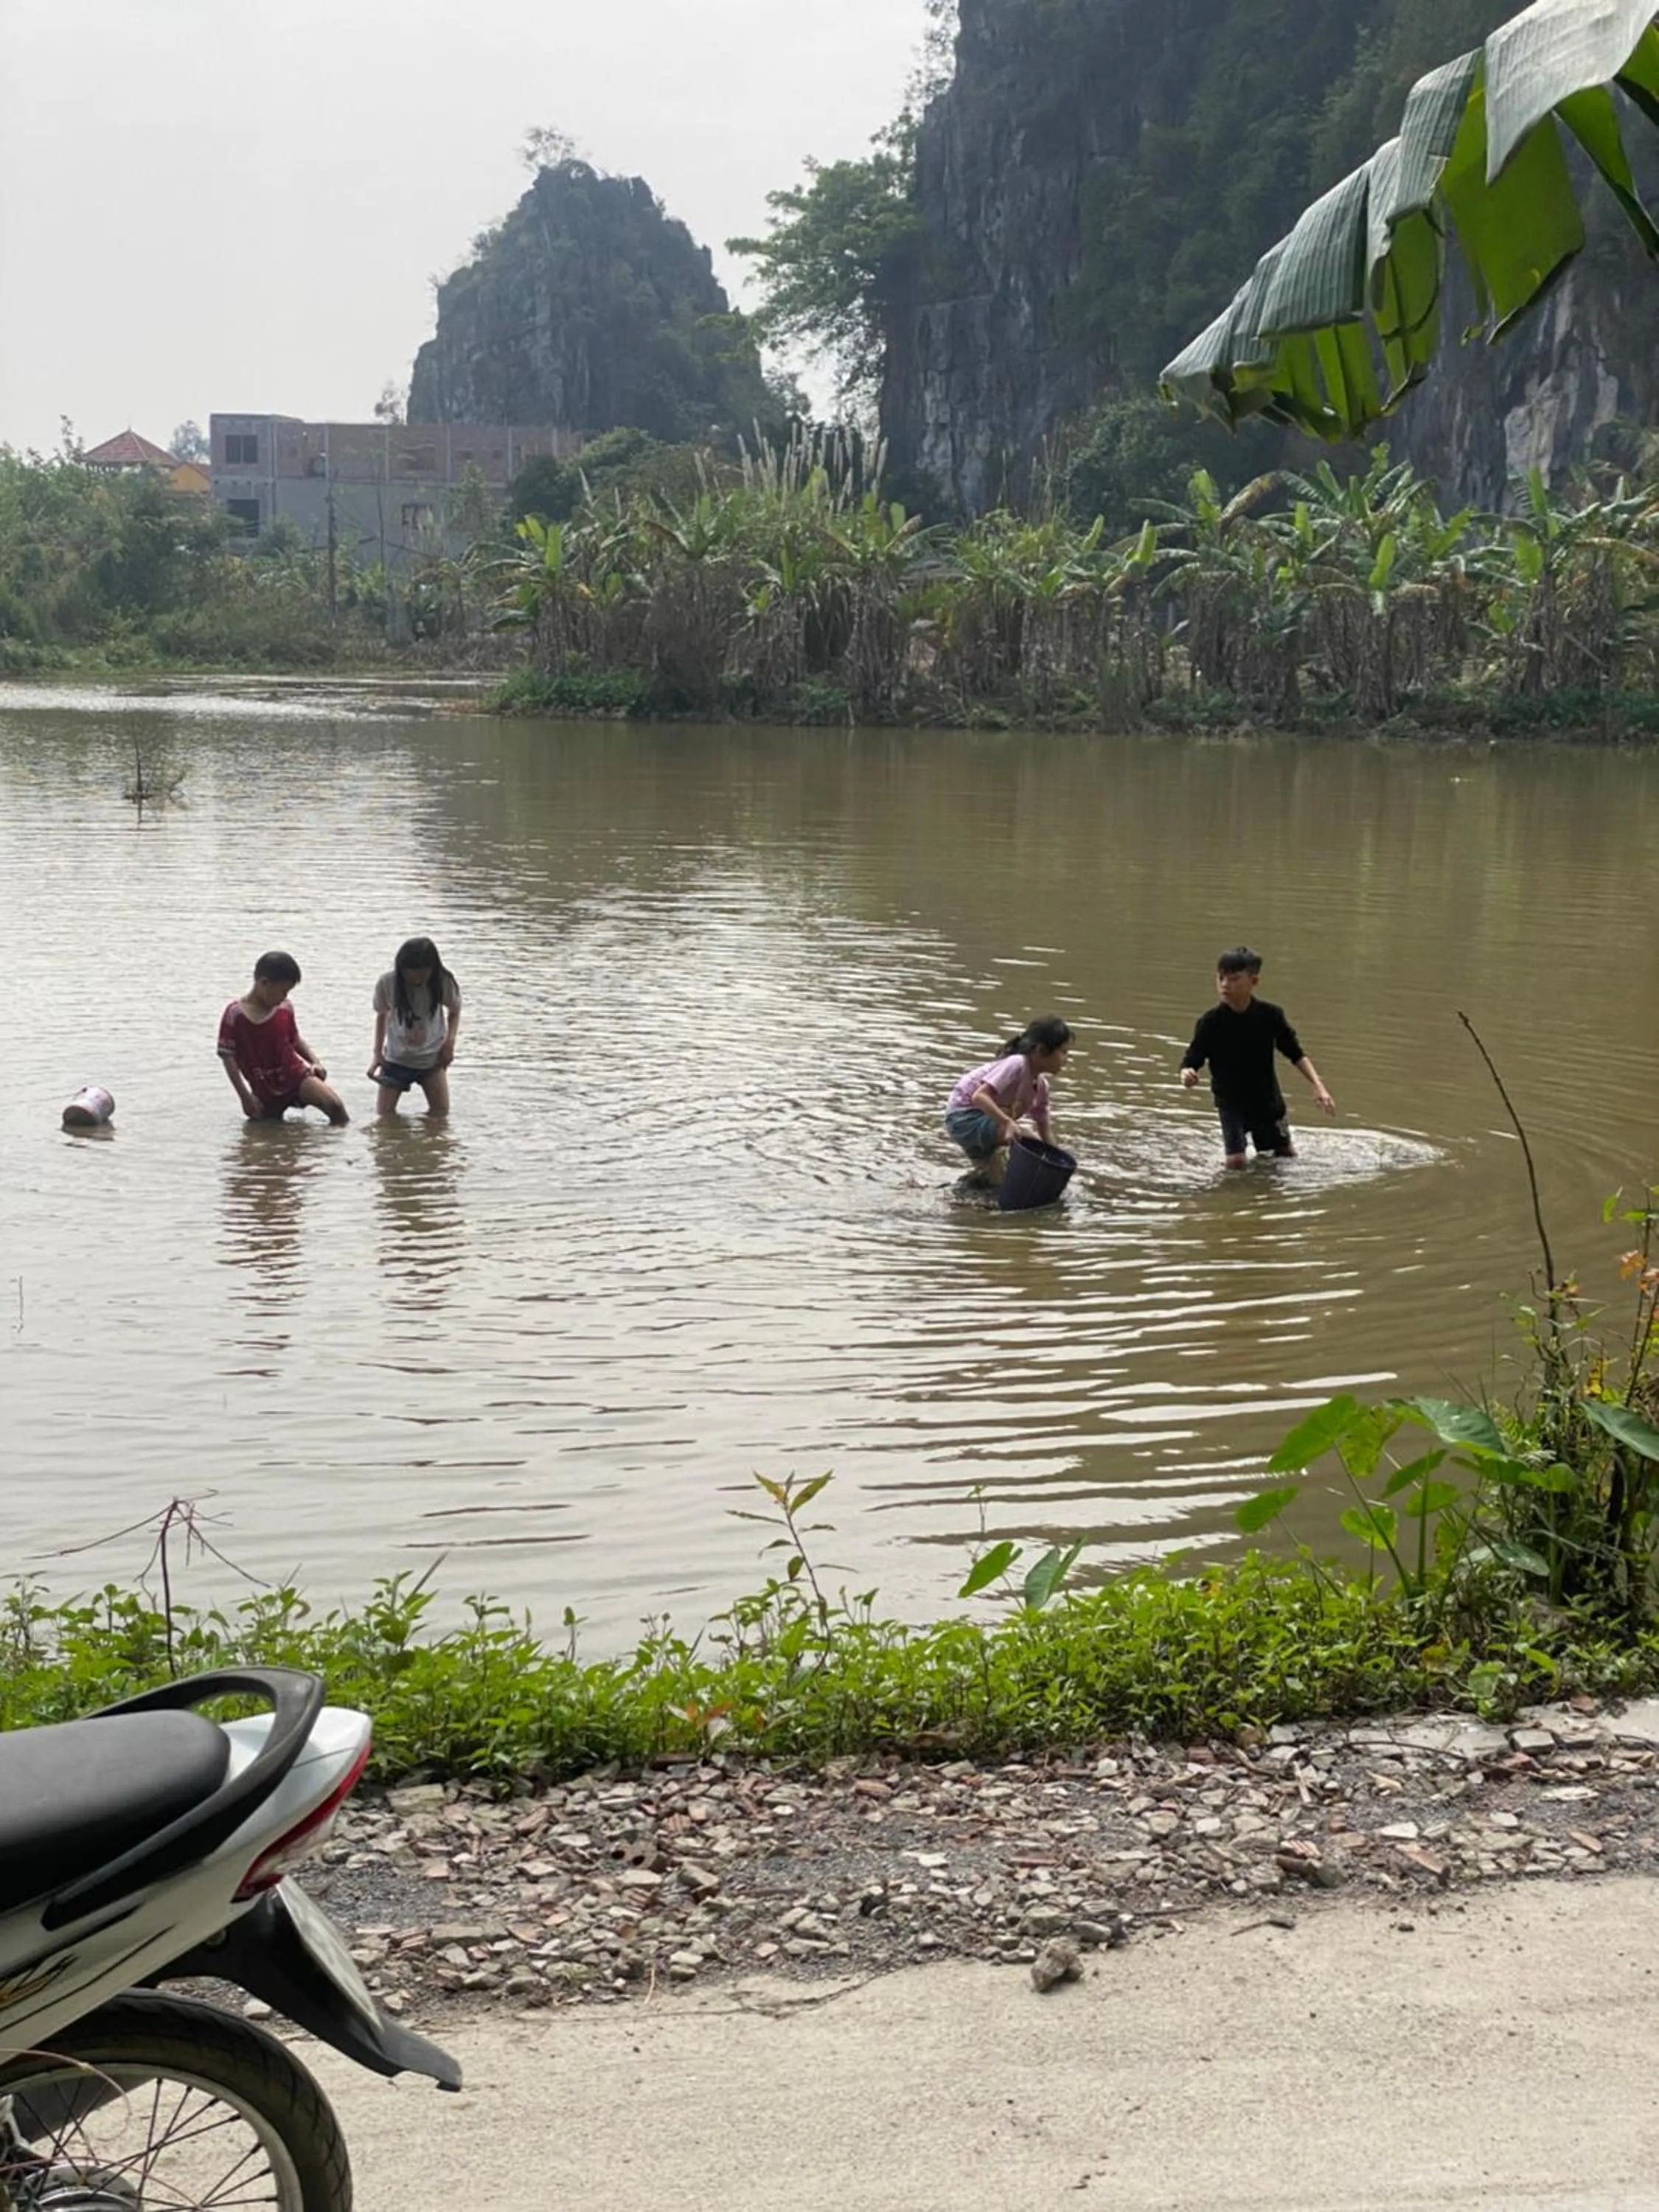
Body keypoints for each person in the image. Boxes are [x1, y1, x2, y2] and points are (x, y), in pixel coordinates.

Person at [1180, 946, 1334, 1167]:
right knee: (1235, 1162)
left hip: (1267, 1100)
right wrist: (1187, 1075)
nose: (1225, 985)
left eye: (1234, 979)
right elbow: (1191, 1061)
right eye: (1221, 978)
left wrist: (1318, 1086)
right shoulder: (1210, 1022)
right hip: (1230, 1102)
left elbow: (1296, 1054)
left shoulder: (1271, 1016)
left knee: (1285, 1156)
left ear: (1254, 981)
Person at [217, 951, 349, 1124]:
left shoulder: (285, 1008)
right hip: (263, 1088)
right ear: (264, 983)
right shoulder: (235, 1015)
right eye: (282, 991)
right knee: (266, 1130)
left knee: (335, 1106)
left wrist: (315, 1062)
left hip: (294, 1076)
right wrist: (245, 1096)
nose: (284, 997)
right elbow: (228, 1058)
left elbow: (295, 1040)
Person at [945, 1017, 1073, 1183]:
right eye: (1063, 1052)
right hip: (964, 1117)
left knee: (997, 1182)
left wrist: (1058, 1161)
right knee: (1028, 1138)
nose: (1066, 1059)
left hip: (985, 1123)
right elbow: (980, 1097)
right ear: (1041, 1050)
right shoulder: (1017, 1064)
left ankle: (972, 1184)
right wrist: (1007, 1123)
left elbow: (1045, 1129)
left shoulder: (1041, 1087)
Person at [369, 936, 462, 1117]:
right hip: (396, 1058)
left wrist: (450, 1043)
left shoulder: (443, 982)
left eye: (423, 973)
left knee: (441, 1115)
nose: (417, 980)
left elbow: (455, 1011)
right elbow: (381, 1014)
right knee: (384, 1117)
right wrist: (378, 1053)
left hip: (432, 1059)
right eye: (411, 975)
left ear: (432, 968)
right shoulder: (387, 983)